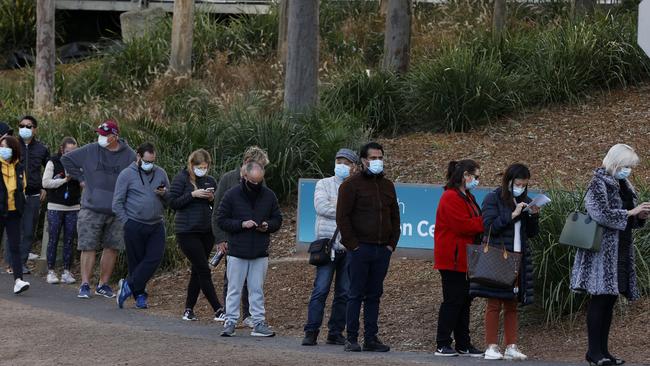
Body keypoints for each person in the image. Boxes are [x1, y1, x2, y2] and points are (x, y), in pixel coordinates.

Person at [571, 144, 650, 366]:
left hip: (621, 250)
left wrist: (639, 215)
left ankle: (604, 351)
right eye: (625, 166)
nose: (628, 170)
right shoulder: (597, 182)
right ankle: (594, 352)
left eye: (630, 167)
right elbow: (600, 214)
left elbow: (629, 219)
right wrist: (629, 212)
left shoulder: (624, 183)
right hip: (601, 253)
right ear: (614, 162)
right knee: (600, 299)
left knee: (610, 300)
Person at [336, 142, 400, 353]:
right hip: (360, 249)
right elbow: (342, 218)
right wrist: (353, 245)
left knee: (374, 295)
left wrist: (392, 243)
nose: (377, 162)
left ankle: (371, 337)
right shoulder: (351, 185)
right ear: (363, 160)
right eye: (373, 158)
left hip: (382, 250)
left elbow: (394, 217)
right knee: (355, 294)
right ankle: (351, 338)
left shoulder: (388, 186)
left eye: (380, 157)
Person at [61, 120, 136, 299]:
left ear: (114, 136)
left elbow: (136, 175)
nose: (100, 138)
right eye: (100, 134)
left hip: (118, 209)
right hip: (91, 207)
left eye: (105, 135)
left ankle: (103, 284)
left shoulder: (129, 155)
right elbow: (66, 159)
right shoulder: (91, 149)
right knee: (88, 246)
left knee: (112, 247)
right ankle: (85, 284)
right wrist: (80, 178)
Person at [472, 163, 540, 361]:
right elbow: (488, 226)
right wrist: (512, 215)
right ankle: (491, 346)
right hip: (499, 256)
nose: (521, 187)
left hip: (519, 257)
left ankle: (511, 345)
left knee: (512, 303)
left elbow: (532, 233)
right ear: (509, 182)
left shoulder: (525, 200)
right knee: (494, 302)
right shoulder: (493, 198)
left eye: (524, 185)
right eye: (518, 183)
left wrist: (534, 215)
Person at [217, 161, 282, 338]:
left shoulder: (268, 195)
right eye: (253, 181)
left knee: (257, 289)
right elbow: (221, 219)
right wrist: (241, 224)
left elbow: (278, 219)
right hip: (237, 250)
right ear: (244, 176)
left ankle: (258, 322)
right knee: (234, 288)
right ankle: (230, 321)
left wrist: (268, 225)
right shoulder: (232, 195)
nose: (256, 185)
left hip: (260, 250)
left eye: (259, 181)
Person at [302, 148, 359, 347]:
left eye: (347, 162)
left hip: (348, 247)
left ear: (354, 167)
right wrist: (345, 210)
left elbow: (359, 213)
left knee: (344, 293)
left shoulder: (356, 186)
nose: (342, 165)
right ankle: (311, 331)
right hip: (328, 247)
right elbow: (321, 207)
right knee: (320, 290)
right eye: (339, 161)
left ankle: (335, 332)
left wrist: (337, 206)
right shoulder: (323, 184)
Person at [211, 146, 270, 326]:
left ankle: (249, 315)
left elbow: (266, 207)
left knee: (252, 283)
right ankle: (231, 315)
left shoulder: (261, 182)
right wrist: (220, 239)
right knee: (233, 280)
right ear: (247, 163)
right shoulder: (228, 179)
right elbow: (217, 213)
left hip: (254, 239)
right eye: (258, 165)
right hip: (233, 237)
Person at [433, 159, 484, 358]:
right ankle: (442, 342)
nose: (477, 180)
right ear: (465, 175)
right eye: (476, 176)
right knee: (453, 301)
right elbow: (463, 226)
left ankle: (463, 343)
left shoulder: (467, 197)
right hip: (452, 260)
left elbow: (473, 222)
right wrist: (485, 220)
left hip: (467, 259)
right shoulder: (450, 197)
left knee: (465, 301)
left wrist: (481, 221)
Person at [167, 149, 224, 321]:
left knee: (197, 271)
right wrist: (192, 195)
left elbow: (218, 204)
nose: (202, 170)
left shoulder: (210, 180)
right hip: (187, 231)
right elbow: (173, 202)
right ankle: (218, 309)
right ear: (192, 165)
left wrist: (210, 198)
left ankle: (188, 309)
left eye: (205, 167)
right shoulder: (181, 179)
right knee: (203, 269)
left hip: (206, 231)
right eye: (199, 167)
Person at [113, 142, 170, 309]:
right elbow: (117, 203)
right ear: (138, 157)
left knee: (154, 258)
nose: (149, 164)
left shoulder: (160, 173)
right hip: (134, 224)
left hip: (156, 224)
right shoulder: (126, 174)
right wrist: (127, 222)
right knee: (136, 262)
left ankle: (128, 285)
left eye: (152, 161)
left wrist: (165, 193)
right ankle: (140, 295)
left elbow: (170, 196)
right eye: (146, 161)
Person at [4, 116, 49, 275]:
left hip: (33, 196)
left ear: (35, 129)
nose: (24, 128)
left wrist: (44, 187)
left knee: (29, 231)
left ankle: (21, 263)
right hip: (14, 195)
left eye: (28, 126)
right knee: (13, 231)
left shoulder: (42, 149)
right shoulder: (11, 146)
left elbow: (50, 169)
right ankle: (11, 263)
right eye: (21, 125)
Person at [42, 137, 81, 285]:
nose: (70, 154)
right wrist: (64, 180)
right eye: (68, 151)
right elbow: (45, 182)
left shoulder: (79, 163)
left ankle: (66, 271)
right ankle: (51, 271)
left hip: (73, 206)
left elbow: (84, 181)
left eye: (74, 151)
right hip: (55, 206)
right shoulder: (53, 162)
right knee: (53, 238)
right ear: (61, 149)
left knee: (70, 240)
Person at [0, 136, 30, 294]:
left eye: (6, 146)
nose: (3, 149)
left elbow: (22, 188)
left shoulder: (19, 167)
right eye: (1, 146)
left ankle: (18, 280)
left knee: (15, 246)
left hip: (13, 213)